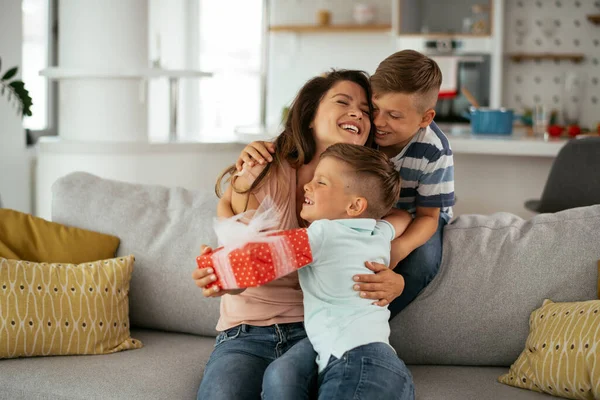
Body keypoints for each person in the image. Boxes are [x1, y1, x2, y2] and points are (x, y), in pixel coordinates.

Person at [192, 69, 407, 400]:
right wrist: (220, 275)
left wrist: (396, 276)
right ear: (310, 115)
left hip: (316, 336)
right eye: (343, 101)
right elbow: (247, 260)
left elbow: (397, 223)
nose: (357, 113)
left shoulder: (365, 188)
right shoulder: (264, 166)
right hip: (247, 332)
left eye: (365, 111)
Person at [235, 50, 455, 318]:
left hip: (417, 215)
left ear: (424, 118)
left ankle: (364, 320)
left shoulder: (434, 150)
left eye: (394, 116)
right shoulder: (360, 131)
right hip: (367, 213)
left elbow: (428, 217)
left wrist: (398, 249)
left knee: (421, 261)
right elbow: (236, 205)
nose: (379, 122)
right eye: (373, 109)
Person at [263, 142, 414, 400]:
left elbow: (267, 256)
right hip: (387, 366)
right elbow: (403, 218)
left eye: (321, 182)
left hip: (354, 361)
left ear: (355, 206)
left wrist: (217, 263)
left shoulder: (321, 233)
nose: (307, 186)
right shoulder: (376, 231)